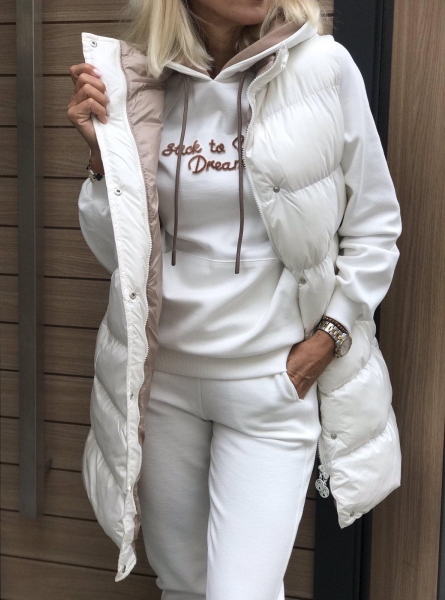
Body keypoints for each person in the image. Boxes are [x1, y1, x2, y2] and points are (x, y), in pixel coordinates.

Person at [67, 0, 402, 596]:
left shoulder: (323, 67)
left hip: (270, 386)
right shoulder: (140, 82)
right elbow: (117, 256)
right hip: (164, 387)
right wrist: (101, 159)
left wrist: (329, 339)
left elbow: (375, 226)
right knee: (181, 584)